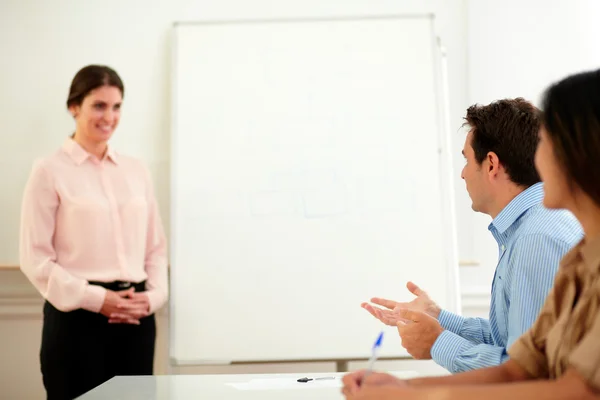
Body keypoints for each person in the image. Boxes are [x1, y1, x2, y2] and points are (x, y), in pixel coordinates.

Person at [341, 68, 600, 399]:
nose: (538, 159)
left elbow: (570, 389)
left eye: (547, 145)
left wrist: (415, 389)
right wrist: (401, 386)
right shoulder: (577, 256)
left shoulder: (540, 236)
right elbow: (520, 366)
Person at [19, 65, 169, 400]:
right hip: (77, 321)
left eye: (117, 107)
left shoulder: (136, 170)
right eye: (99, 106)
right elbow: (35, 259)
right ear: (74, 106)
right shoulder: (49, 170)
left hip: (136, 318)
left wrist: (154, 297)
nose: (110, 117)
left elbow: (155, 248)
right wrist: (98, 300)